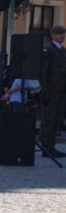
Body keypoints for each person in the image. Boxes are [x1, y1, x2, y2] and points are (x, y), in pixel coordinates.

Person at [39, 25, 66, 157]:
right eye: (60, 34)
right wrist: (44, 90)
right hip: (51, 89)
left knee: (57, 118)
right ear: (53, 35)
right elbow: (43, 71)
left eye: (63, 34)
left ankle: (52, 145)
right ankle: (46, 146)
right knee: (48, 118)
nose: (63, 36)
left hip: (61, 90)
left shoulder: (63, 50)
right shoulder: (48, 49)